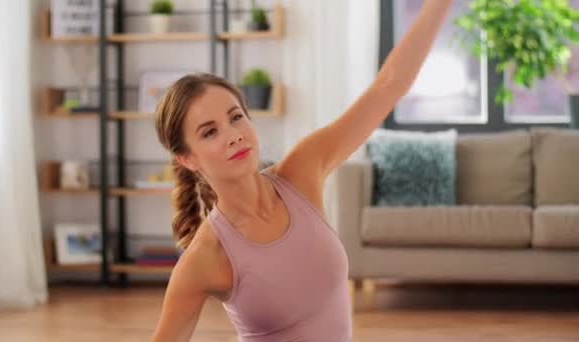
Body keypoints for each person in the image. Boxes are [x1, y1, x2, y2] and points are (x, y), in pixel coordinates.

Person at [151, 1, 452, 340]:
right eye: (210, 132)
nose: (233, 135)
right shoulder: (205, 258)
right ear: (187, 159)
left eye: (236, 117)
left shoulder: (301, 172)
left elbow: (390, 84)